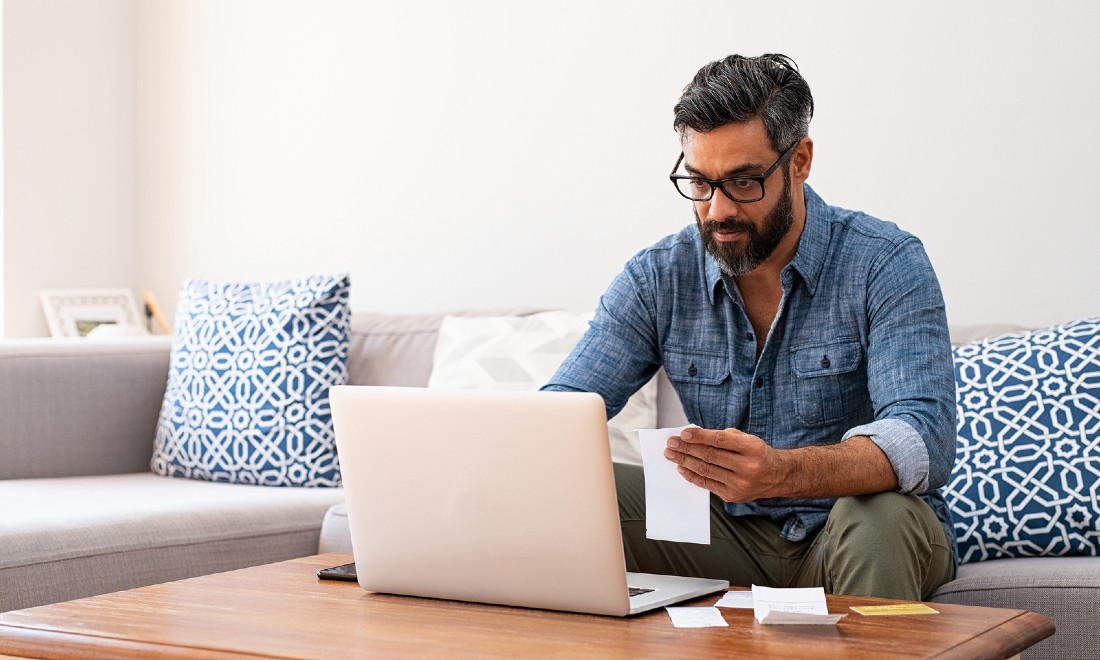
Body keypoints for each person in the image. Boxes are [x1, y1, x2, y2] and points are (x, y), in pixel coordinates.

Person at [542, 53, 957, 600]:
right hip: (722, 532)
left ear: (800, 161)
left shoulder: (885, 262)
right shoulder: (657, 277)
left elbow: (923, 438)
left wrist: (781, 472)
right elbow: (558, 416)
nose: (717, 211)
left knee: (880, 515)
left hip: (848, 535)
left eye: (743, 182)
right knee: (569, 494)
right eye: (700, 182)